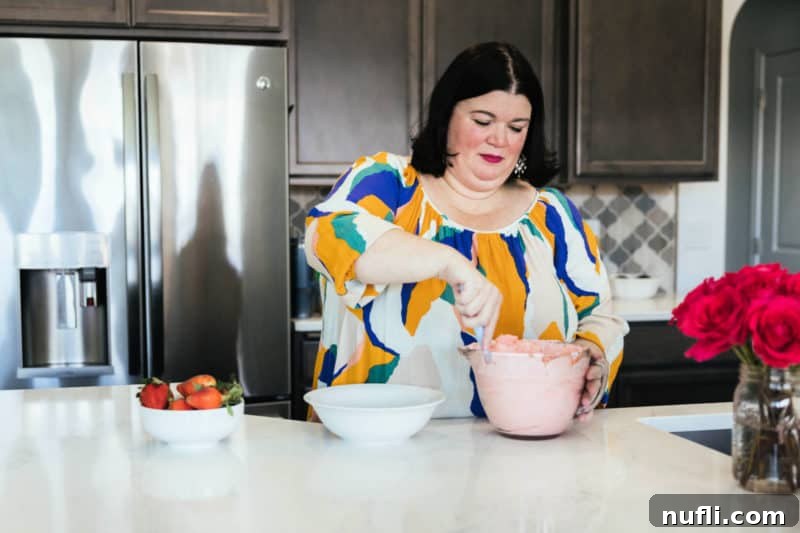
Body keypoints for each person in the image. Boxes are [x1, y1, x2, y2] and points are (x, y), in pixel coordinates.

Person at [304, 42, 629, 418]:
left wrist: (594, 357)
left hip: (519, 458)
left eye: (516, 127)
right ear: (446, 117)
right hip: (377, 453)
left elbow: (598, 316)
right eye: (482, 121)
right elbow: (328, 238)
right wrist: (450, 263)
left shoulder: (552, 215)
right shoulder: (387, 181)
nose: (500, 139)